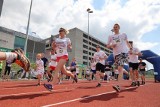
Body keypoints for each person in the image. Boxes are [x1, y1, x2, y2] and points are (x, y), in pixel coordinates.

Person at [106, 23, 132, 92]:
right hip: (116, 54)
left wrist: (130, 48)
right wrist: (112, 45)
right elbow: (107, 45)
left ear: (119, 28)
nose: (115, 28)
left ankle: (118, 85)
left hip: (123, 52)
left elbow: (127, 42)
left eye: (116, 27)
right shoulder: (110, 36)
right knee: (120, 69)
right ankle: (120, 84)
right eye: (114, 27)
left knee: (120, 68)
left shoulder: (123, 34)